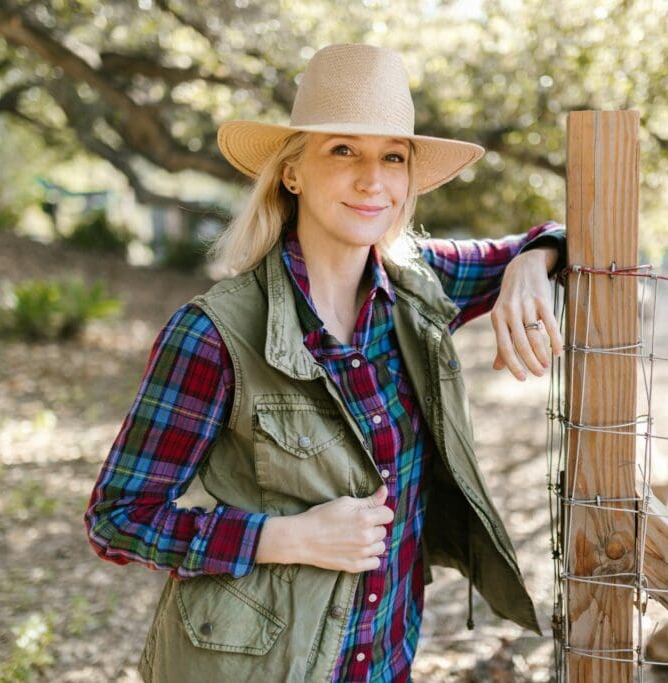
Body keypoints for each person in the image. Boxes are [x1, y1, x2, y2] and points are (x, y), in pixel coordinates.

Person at [84, 43, 567, 682]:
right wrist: (283, 537)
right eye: (343, 150)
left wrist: (534, 266)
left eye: (392, 157)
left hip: (385, 656)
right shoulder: (214, 333)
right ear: (293, 173)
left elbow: (552, 233)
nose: (372, 179)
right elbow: (118, 519)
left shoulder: (422, 286)